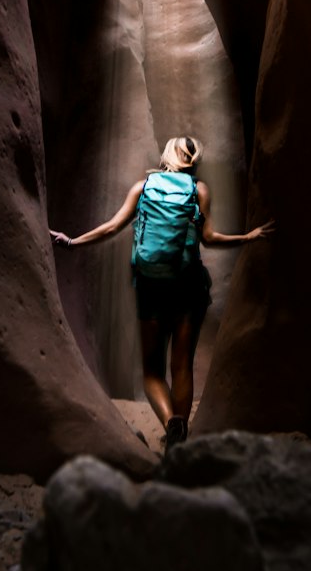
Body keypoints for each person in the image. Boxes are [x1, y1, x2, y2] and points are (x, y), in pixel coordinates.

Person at [50, 135, 274, 450]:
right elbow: (208, 239)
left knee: (152, 370)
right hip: (189, 287)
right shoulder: (199, 191)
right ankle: (180, 435)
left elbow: (112, 227)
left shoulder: (143, 189)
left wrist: (72, 241)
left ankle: (171, 424)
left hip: (151, 288)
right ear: (195, 161)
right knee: (181, 365)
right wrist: (247, 237)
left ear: (167, 154)